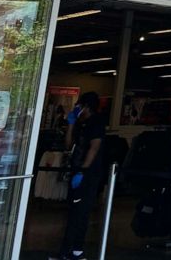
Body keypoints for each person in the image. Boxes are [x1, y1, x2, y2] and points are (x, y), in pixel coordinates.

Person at [50, 92, 105, 260]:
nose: (77, 108)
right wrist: (71, 124)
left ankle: (71, 251)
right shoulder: (80, 124)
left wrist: (83, 170)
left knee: (79, 212)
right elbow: (69, 146)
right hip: (76, 169)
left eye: (79, 106)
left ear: (87, 106)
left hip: (88, 174)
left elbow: (94, 148)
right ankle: (74, 251)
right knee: (75, 211)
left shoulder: (96, 123)